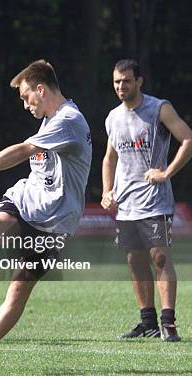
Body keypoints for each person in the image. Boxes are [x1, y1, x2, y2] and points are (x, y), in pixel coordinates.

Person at [0, 60, 92, 371]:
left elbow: (23, 151)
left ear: (41, 89)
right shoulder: (51, 120)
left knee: (18, 288)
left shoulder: (69, 120)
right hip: (24, 201)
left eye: (26, 97)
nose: (25, 104)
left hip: (55, 224)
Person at [101, 59, 192, 342]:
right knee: (135, 260)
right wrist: (106, 191)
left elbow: (188, 139)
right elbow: (109, 158)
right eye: (117, 81)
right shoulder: (113, 117)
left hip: (155, 202)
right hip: (126, 204)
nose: (121, 86)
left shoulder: (158, 108)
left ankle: (169, 324)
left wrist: (166, 172)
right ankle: (148, 322)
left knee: (160, 257)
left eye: (126, 81)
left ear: (139, 81)